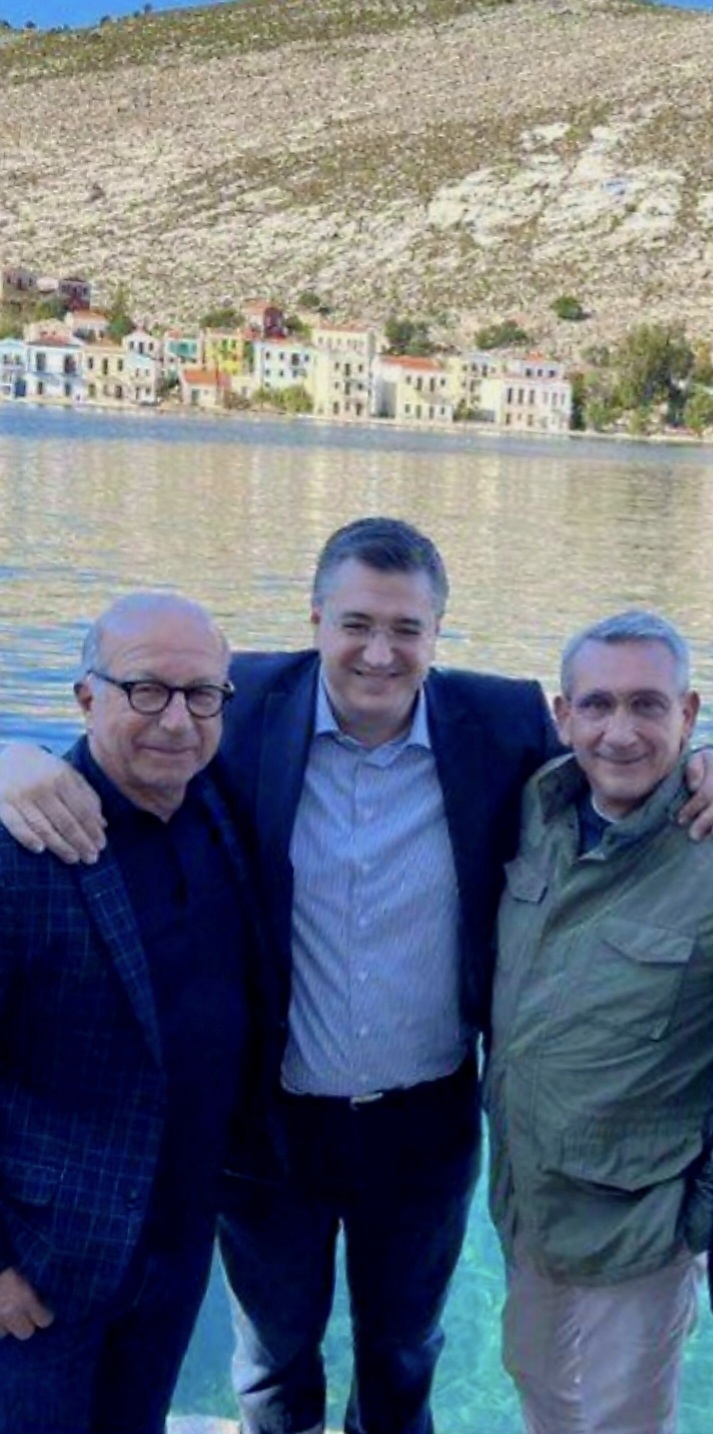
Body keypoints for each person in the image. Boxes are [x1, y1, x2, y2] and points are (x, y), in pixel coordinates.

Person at [1, 522, 713, 1434]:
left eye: (406, 628)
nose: (379, 653)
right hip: (272, 1127)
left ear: (437, 631)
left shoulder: (499, 721)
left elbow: (619, 760)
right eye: (356, 624)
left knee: (402, 1355)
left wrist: (700, 762)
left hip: (425, 1123)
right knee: (272, 1361)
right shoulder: (234, 706)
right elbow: (123, 722)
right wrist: (12, 761)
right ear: (315, 621)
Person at [0, 591, 261, 1434]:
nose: (176, 721)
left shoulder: (216, 805)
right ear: (86, 696)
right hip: (43, 1263)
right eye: (145, 690)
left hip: (178, 1244)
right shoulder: (22, 841)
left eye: (201, 695)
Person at [486, 610, 713, 1434]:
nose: (620, 732)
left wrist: (693, 1219)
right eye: (597, 705)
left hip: (637, 1235)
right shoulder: (535, 809)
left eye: (647, 705)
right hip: (526, 1207)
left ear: (686, 713)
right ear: (562, 715)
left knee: (622, 1421)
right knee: (538, 1389)